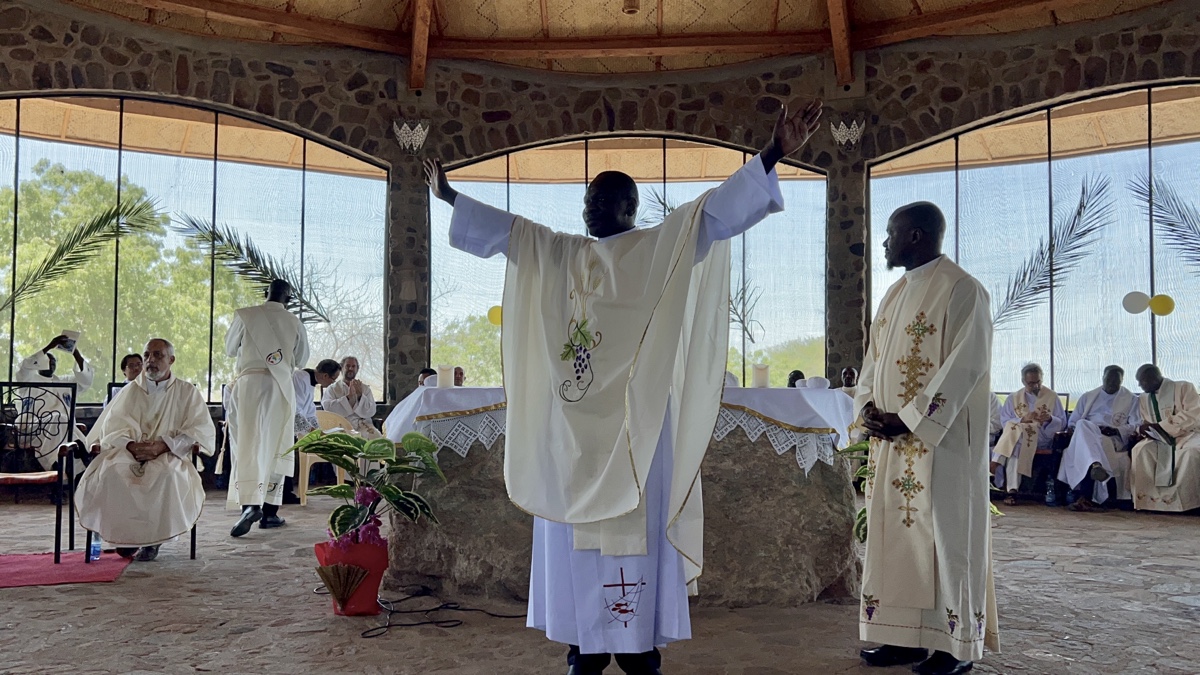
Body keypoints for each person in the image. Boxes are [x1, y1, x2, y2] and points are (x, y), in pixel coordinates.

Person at [426, 99, 823, 675]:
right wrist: (451, 198)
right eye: (586, 200)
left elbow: (713, 215)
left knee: (637, 536)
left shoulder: (659, 248)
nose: (589, 208)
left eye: (601, 199)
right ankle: (582, 644)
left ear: (630, 207)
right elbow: (512, 235)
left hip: (639, 430)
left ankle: (639, 647)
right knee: (573, 538)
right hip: (572, 435)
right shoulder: (561, 253)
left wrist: (773, 153)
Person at [855, 202, 998, 675]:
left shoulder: (963, 289)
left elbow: (967, 364)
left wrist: (913, 418)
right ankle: (904, 638)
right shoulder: (895, 294)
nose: (884, 242)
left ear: (915, 236)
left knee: (947, 540)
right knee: (897, 539)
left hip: (943, 445)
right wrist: (868, 407)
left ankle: (955, 647)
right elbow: (874, 360)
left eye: (891, 233)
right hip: (893, 445)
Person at [75, 339, 216, 561]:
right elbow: (112, 427)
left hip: (169, 451)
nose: (150, 360)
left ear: (171, 359)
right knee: (112, 472)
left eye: (158, 355)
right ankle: (126, 537)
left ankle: (153, 541)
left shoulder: (187, 392)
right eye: (147, 355)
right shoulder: (130, 391)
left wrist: (163, 445)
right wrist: (131, 445)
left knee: (165, 474)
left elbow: (198, 430)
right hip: (130, 450)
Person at [224, 280, 310, 537]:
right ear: (289, 299)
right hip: (279, 387)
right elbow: (302, 359)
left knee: (246, 445)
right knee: (277, 445)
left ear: (265, 294)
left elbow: (230, 349)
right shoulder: (295, 322)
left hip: (248, 385)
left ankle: (249, 506)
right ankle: (270, 513)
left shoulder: (245, 315)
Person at [1057, 365, 1140, 511]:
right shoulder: (1088, 396)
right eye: (1109, 380)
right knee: (1082, 424)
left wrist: (1115, 430)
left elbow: (1136, 424)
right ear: (1102, 378)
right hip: (1088, 434)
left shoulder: (1131, 399)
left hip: (1111, 437)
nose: (1112, 384)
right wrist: (1074, 429)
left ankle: (1085, 495)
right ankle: (1095, 466)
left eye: (1116, 381)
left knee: (1085, 435)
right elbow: (1073, 422)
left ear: (1122, 381)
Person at [16, 334, 96, 471]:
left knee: (61, 421)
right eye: (47, 361)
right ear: (39, 363)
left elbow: (85, 381)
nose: (51, 364)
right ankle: (80, 448)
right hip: (33, 430)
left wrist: (74, 351)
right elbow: (25, 367)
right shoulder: (28, 380)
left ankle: (56, 465)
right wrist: (49, 346)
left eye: (53, 362)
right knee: (59, 418)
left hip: (63, 430)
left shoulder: (64, 382)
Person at [990, 363, 1066, 504]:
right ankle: (1012, 491)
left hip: (1042, 437)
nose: (1036, 386)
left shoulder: (1051, 396)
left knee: (1014, 437)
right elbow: (1004, 422)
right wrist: (1022, 419)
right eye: (1031, 383)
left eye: (1038, 382)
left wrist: (1050, 419)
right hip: (1019, 438)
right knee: (1015, 442)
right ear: (1023, 381)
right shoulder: (1013, 398)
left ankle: (997, 461)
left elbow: (1062, 422)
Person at [1129, 364, 1200, 512]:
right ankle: (1151, 502)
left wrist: (1162, 426)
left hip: (1188, 434)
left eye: (1142, 381)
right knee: (1141, 450)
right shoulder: (1144, 398)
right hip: (1159, 438)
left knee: (1191, 453)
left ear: (1154, 377)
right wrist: (1143, 429)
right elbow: (1145, 421)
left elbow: (1193, 414)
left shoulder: (1183, 387)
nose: (1140, 385)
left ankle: (1190, 504)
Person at [321, 356, 382, 439]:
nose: (350, 368)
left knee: (375, 437)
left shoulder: (365, 388)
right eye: (347, 366)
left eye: (353, 366)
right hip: (340, 425)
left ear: (357, 369)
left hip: (362, 424)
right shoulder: (332, 389)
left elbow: (371, 411)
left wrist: (360, 396)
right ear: (342, 368)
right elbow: (327, 407)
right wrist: (348, 398)